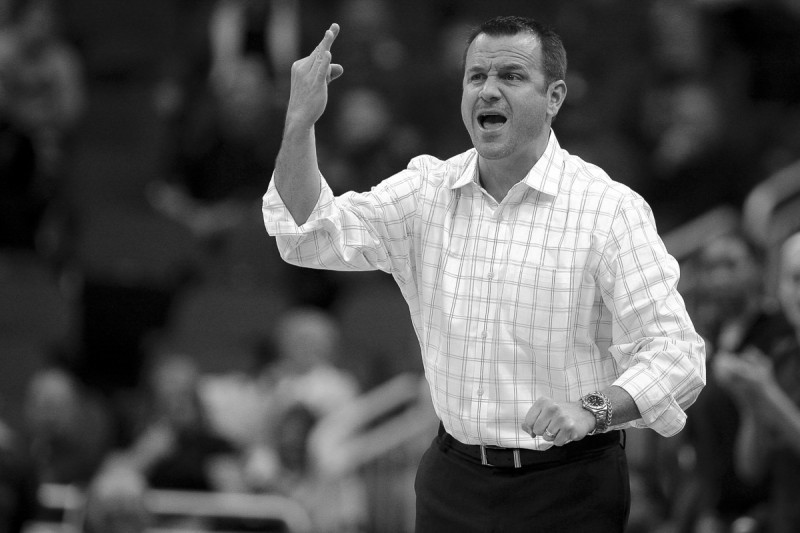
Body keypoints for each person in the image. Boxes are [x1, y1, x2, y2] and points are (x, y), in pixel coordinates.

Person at [262, 15, 706, 532]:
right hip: (453, 480)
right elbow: (306, 233)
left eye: (511, 77)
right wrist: (300, 120)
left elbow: (677, 353)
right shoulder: (425, 191)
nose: (488, 91)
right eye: (476, 77)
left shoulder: (609, 211)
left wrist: (594, 409)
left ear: (554, 96)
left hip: (570, 486)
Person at [714, 231, 800, 533]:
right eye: (795, 279)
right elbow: (751, 469)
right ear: (780, 287)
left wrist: (768, 394)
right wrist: (750, 402)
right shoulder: (781, 358)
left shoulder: (772, 370)